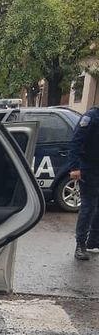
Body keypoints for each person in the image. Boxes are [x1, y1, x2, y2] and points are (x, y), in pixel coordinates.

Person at [67, 105, 99, 261]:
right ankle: (80, 245)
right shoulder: (91, 117)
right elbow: (75, 142)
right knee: (88, 206)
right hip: (89, 168)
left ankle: (93, 240)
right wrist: (75, 167)